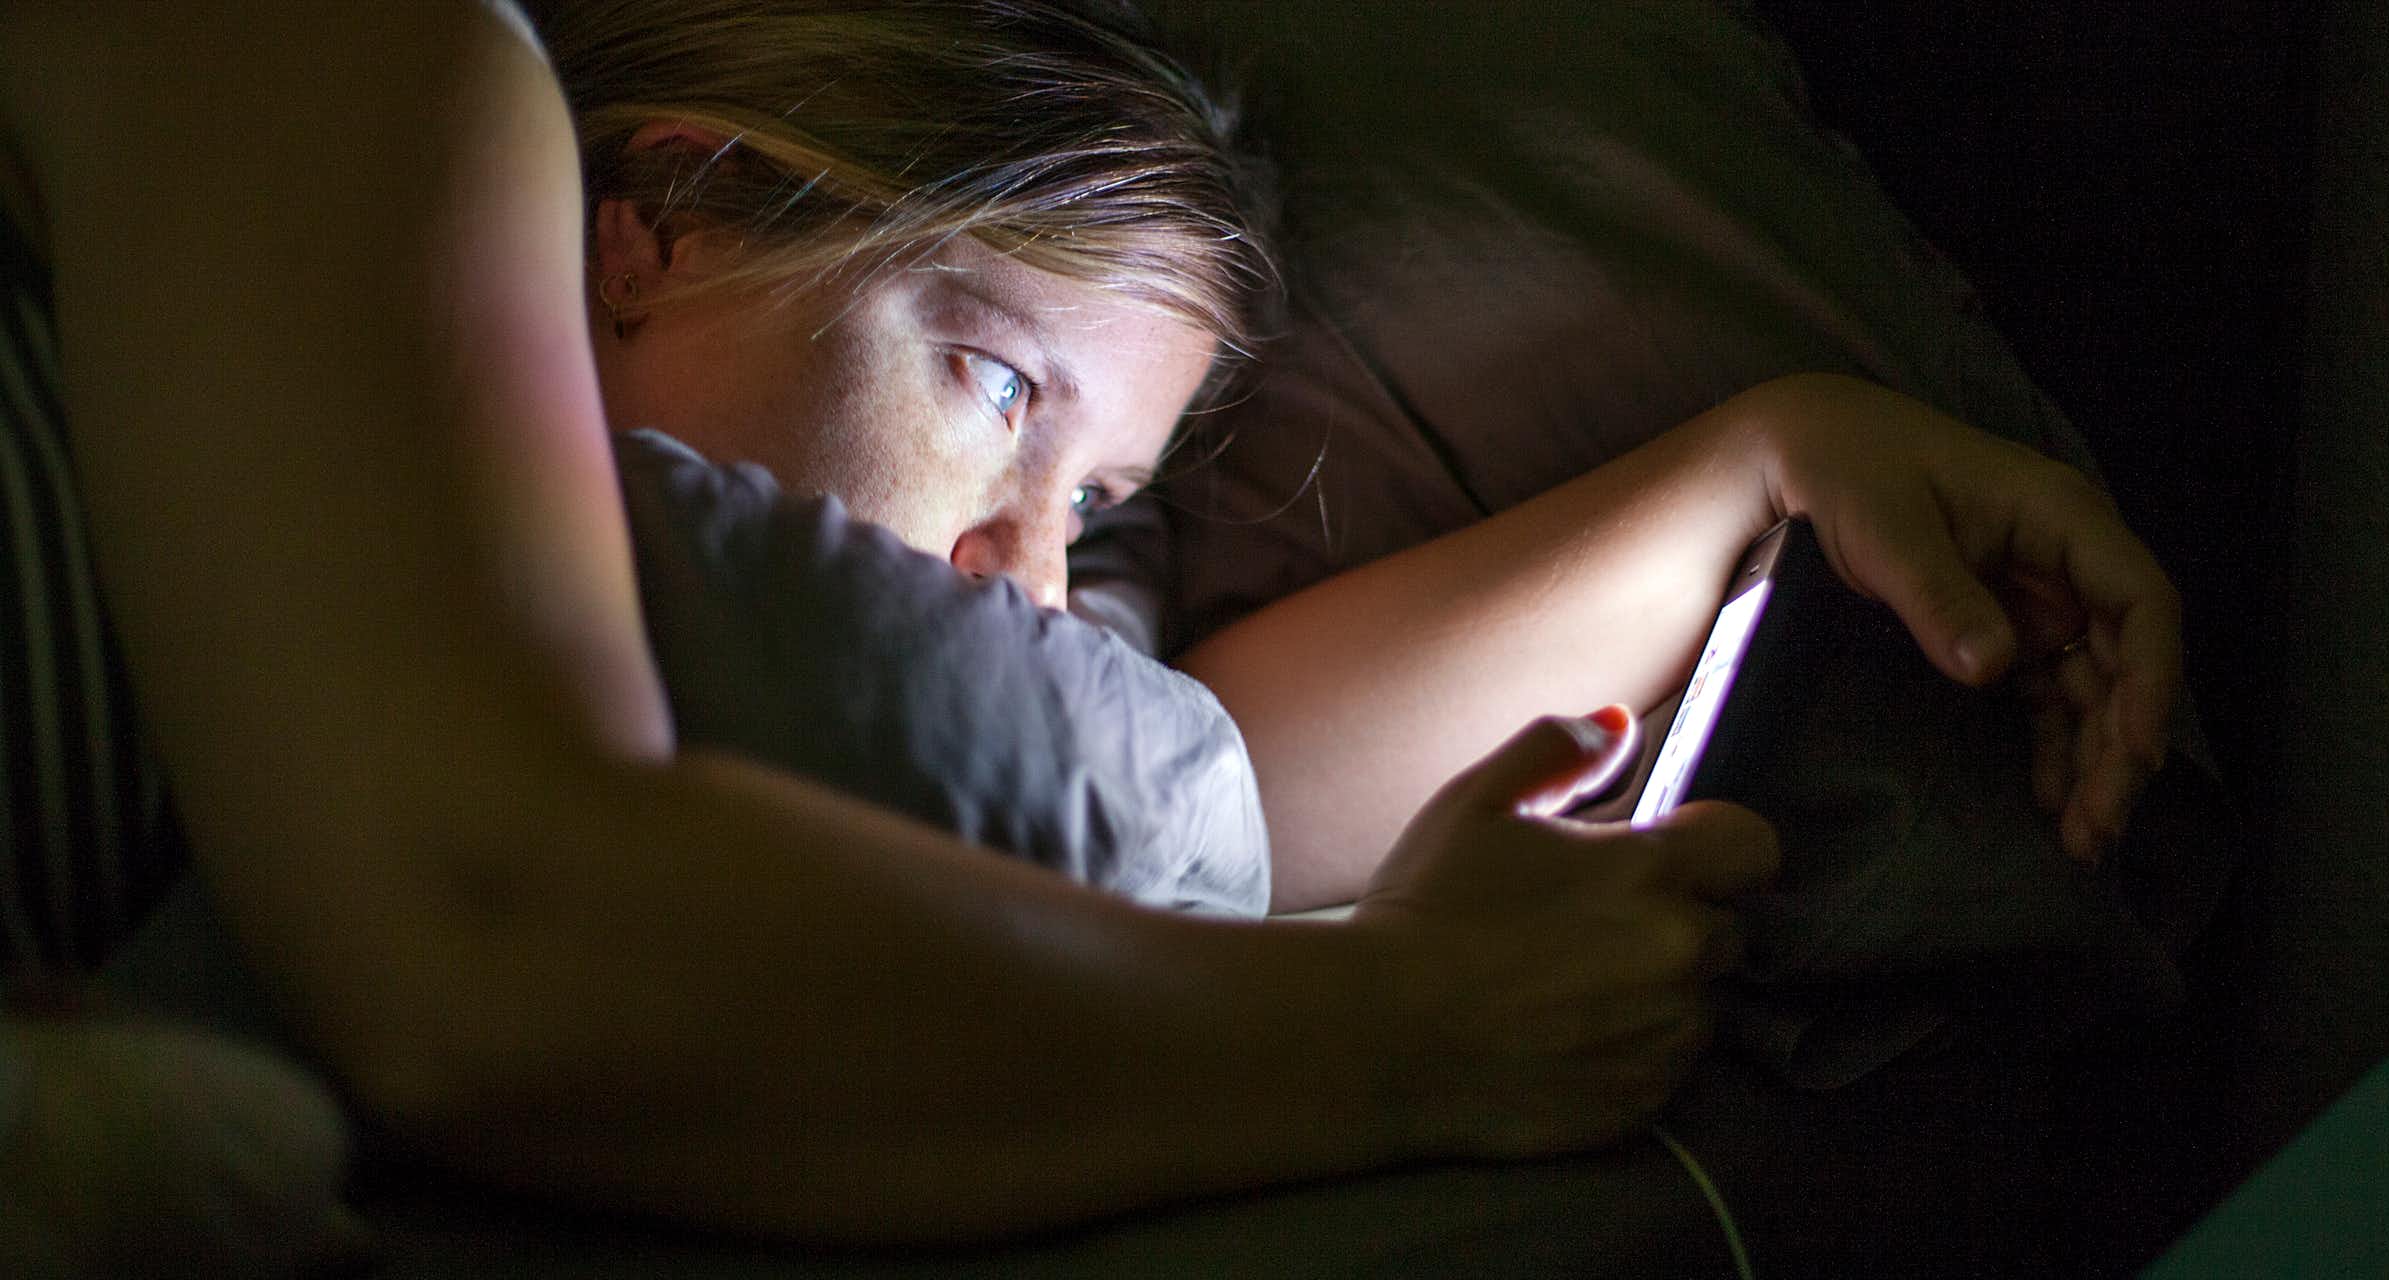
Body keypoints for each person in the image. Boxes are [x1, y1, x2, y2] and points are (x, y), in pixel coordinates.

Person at [0, 0, 2177, 1264]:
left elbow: (1182, 775)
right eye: (997, 385)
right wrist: (1414, 1034)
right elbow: (484, 921)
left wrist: (1756, 469)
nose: (1020, 582)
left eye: (1102, 516)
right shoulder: (341, 52)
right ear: (662, 221)